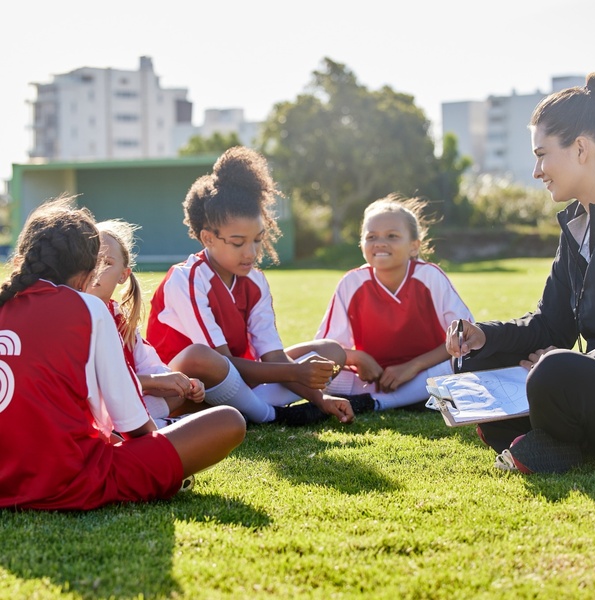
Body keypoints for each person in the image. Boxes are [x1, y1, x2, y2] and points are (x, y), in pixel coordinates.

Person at [0, 197, 245, 510]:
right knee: (228, 421)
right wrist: (163, 462)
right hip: (66, 481)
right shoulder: (88, 308)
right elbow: (134, 426)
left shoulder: (6, 303)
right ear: (89, 271)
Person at [446, 71, 595, 474]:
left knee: (556, 371)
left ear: (581, 148)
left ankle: (556, 441)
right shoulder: (577, 227)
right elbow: (551, 323)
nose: (537, 171)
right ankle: (553, 440)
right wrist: (483, 336)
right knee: (477, 361)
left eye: (541, 154)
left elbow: (560, 355)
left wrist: (561, 359)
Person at [146, 146, 354, 427]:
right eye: (237, 242)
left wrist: (320, 399)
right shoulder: (187, 279)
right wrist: (295, 374)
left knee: (330, 351)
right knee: (202, 358)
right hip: (185, 387)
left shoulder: (255, 281)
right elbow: (220, 362)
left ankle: (242, 408)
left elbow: (272, 355)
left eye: (257, 239)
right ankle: (269, 414)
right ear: (208, 238)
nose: (251, 253)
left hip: (236, 382)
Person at [315, 194, 473, 412]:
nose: (380, 243)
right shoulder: (351, 283)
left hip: (427, 372)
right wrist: (359, 358)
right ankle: (410, 398)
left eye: (392, 236)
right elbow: (325, 349)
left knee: (465, 361)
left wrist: (413, 366)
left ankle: (378, 403)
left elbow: (465, 337)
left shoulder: (429, 276)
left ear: (414, 246)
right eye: (371, 237)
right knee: (319, 369)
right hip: (374, 378)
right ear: (361, 244)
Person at [88, 218, 227, 427]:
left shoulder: (120, 318)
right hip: (94, 408)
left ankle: (160, 424)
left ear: (123, 276)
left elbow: (147, 364)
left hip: (124, 403)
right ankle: (162, 427)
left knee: (177, 392)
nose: (97, 270)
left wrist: (178, 381)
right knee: (222, 421)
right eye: (91, 261)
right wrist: (153, 381)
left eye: (107, 263)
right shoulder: (75, 316)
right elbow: (99, 383)